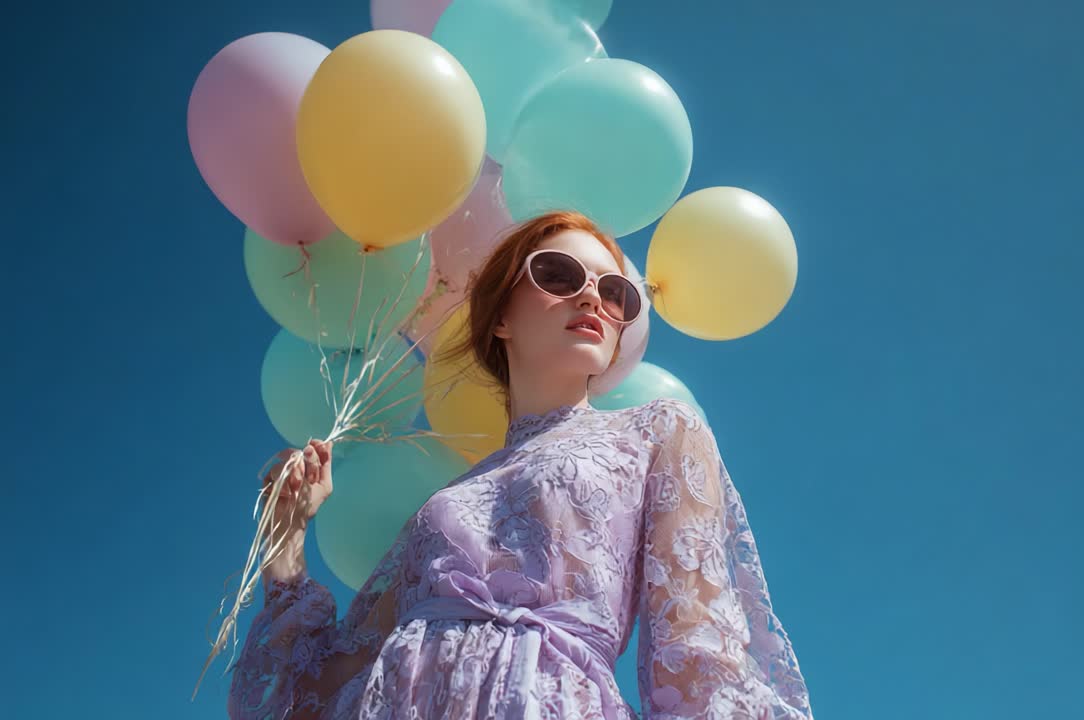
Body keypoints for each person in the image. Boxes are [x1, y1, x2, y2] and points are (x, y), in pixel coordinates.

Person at [228, 211, 814, 719]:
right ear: (501, 316)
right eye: (558, 275)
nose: (593, 298)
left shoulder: (658, 431)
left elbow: (696, 650)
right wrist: (286, 546)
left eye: (617, 294)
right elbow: (324, 683)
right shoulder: (443, 505)